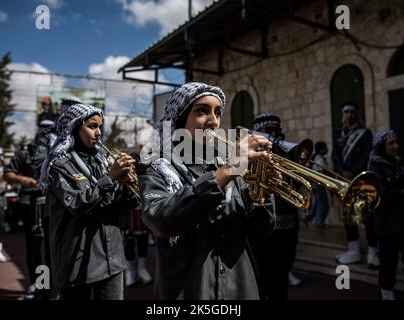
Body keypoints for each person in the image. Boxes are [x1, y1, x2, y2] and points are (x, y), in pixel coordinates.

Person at [137, 82, 275, 300]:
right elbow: (160, 220)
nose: (213, 121)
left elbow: (262, 230)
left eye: (218, 113)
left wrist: (261, 191)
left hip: (240, 290)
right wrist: (229, 170)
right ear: (181, 118)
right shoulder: (156, 166)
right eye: (202, 111)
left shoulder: (229, 166)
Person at [39, 103, 138, 300]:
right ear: (75, 127)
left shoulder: (103, 160)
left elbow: (125, 205)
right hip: (77, 262)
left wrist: (128, 187)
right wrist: (110, 178)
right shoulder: (59, 165)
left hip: (113, 259)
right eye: (92, 126)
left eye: (100, 126)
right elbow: (78, 205)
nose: (99, 132)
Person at [249, 112, 302, 299]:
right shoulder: (248, 154)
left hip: (287, 224)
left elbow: (298, 185)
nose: (274, 134)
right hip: (261, 227)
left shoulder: (288, 152)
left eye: (276, 130)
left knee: (281, 279)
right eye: (268, 130)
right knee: (261, 279)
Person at [3, 121, 55, 299]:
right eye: (44, 129)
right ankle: (37, 284)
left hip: (51, 205)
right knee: (35, 247)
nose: (47, 134)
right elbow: (8, 173)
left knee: (50, 248)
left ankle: (47, 285)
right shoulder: (25, 152)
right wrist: (26, 181)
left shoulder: (56, 149)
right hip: (31, 204)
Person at [368, 130, 404, 300]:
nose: (396, 146)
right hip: (386, 224)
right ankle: (387, 295)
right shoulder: (374, 166)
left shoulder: (400, 165)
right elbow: (381, 192)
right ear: (382, 147)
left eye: (396, 142)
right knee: (388, 264)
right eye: (391, 143)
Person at [331, 102, 378, 267]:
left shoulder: (365, 134)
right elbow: (335, 156)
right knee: (348, 214)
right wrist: (340, 171)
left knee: (367, 215)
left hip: (360, 179)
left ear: (356, 114)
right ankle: (353, 249)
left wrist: (354, 171)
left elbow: (367, 154)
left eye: (352, 112)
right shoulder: (337, 134)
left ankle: (373, 251)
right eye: (346, 112)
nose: (349, 115)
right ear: (342, 114)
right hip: (344, 180)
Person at [304, 141, 330, 229]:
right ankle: (319, 223)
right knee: (323, 204)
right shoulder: (319, 159)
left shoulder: (317, 158)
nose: (327, 149)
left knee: (318, 204)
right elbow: (320, 171)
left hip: (316, 184)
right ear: (321, 149)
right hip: (319, 184)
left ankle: (307, 218)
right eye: (325, 148)